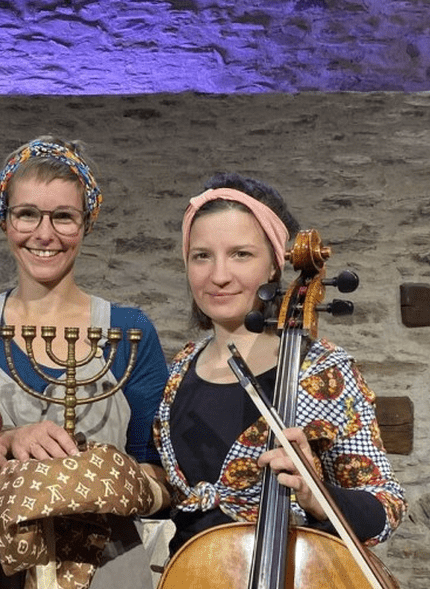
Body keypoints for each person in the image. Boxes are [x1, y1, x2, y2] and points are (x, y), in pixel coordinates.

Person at [0, 137, 170, 589]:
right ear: (5, 220)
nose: (44, 234)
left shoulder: (128, 332)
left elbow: (160, 475)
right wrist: (2, 440)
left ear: (86, 223)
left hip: (105, 568)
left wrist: (99, 475)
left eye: (63, 216)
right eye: (27, 214)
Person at [154, 172, 406, 558]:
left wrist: (317, 496)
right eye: (202, 255)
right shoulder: (181, 369)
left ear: (274, 265)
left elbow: (387, 506)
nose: (218, 276)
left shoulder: (323, 374)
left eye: (241, 254)